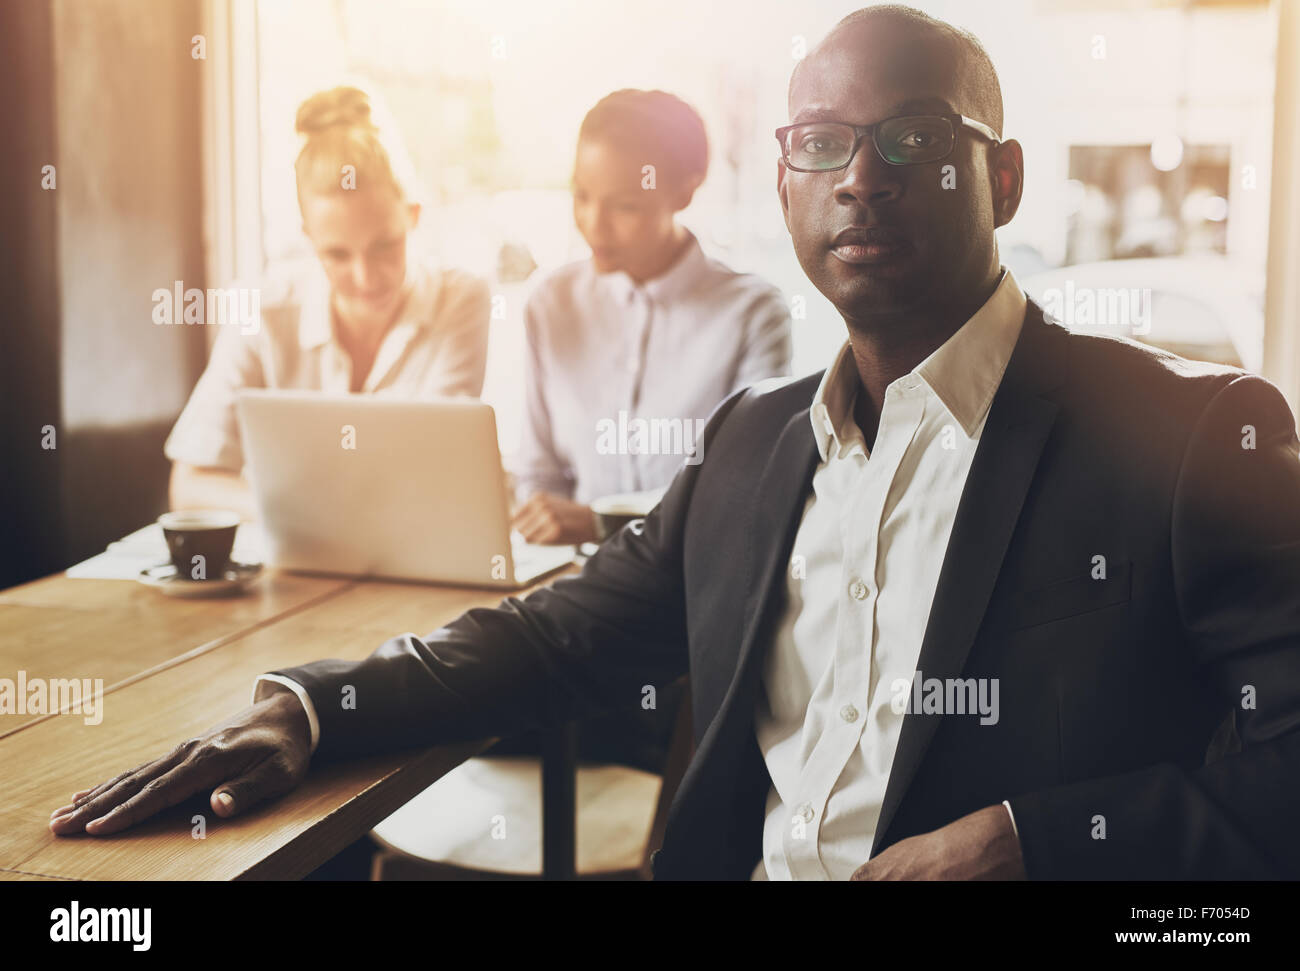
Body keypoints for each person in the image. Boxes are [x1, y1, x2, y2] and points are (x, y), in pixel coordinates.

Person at [53, 7, 1300, 882]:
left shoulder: (1189, 439)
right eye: (819, 143)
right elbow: (555, 630)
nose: (859, 175)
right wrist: (309, 707)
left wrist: (1034, 841)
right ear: (784, 186)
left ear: (1006, 179)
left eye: (913, 137)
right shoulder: (755, 448)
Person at [165, 85, 490, 519]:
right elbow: (190, 486)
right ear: (309, 238)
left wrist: (306, 509)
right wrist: (303, 513)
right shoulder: (263, 313)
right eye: (337, 255)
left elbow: (433, 470)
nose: (365, 277)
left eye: (384, 246)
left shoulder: (459, 301)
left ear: (413, 217)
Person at [509, 89, 792, 545]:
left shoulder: (752, 314)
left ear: (685, 190)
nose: (593, 224)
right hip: (572, 578)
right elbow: (537, 474)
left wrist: (601, 521)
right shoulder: (549, 303)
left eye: (624, 206)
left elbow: (745, 484)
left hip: (691, 583)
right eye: (581, 195)